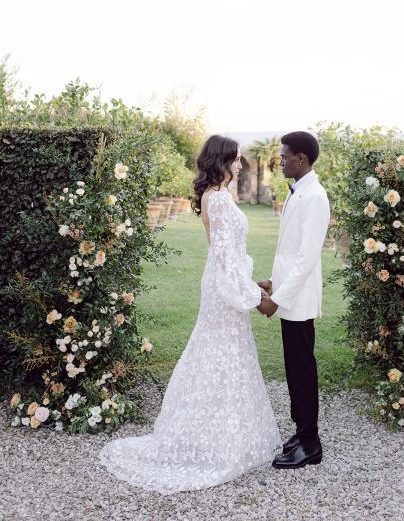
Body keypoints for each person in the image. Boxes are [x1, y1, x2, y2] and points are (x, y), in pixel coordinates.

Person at [98, 135, 282, 494]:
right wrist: (256, 297)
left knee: (227, 353)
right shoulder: (217, 200)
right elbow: (224, 256)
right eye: (236, 160)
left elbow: (231, 255)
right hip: (222, 288)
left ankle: (229, 435)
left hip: (224, 282)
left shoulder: (221, 197)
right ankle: (213, 442)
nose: (240, 165)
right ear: (222, 160)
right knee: (219, 353)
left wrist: (250, 283)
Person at [258, 131, 330, 469]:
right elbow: (288, 251)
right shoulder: (298, 192)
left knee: (302, 370)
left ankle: (311, 443)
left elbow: (307, 258)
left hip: (298, 300)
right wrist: (274, 282)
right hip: (289, 294)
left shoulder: (314, 197)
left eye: (285, 155)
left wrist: (278, 299)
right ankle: (302, 432)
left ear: (300, 158)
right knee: (293, 367)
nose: (281, 160)